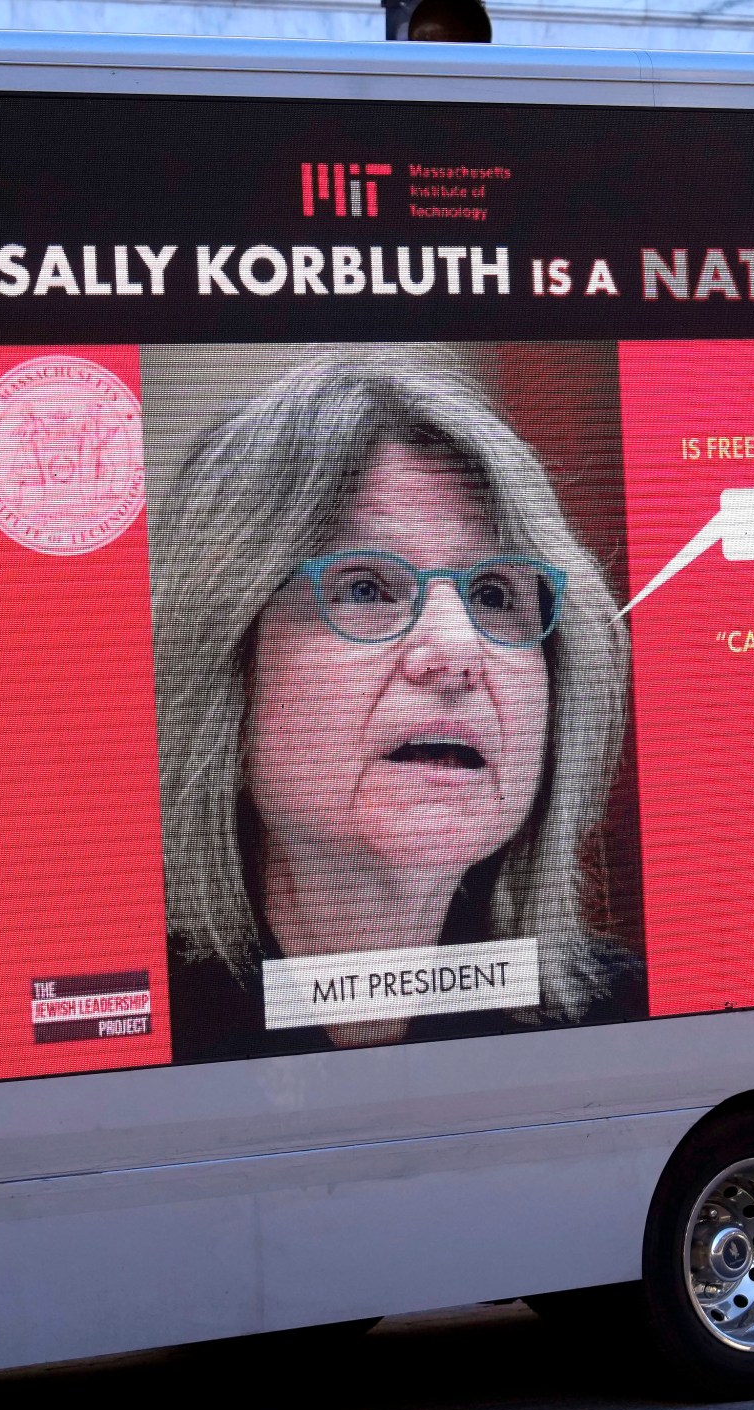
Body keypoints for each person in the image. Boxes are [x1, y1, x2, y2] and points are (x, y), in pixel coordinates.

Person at [153, 359, 638, 1062]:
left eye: (496, 595)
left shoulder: (625, 1019)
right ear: (222, 670)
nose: (456, 652)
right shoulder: (119, 1027)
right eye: (365, 588)